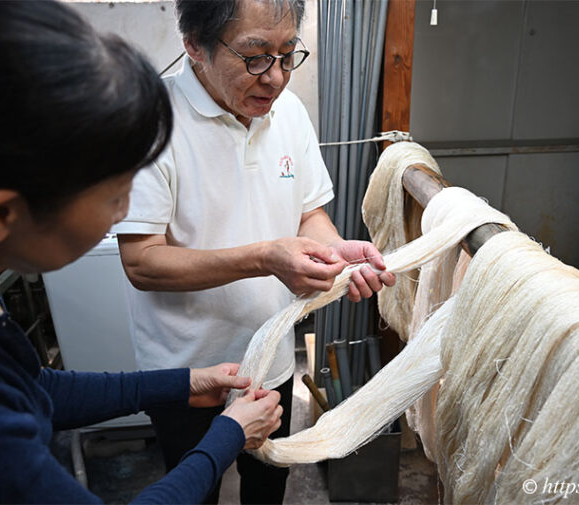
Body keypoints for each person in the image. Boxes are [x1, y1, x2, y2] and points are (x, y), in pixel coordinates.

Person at [0, 1, 282, 503]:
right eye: (115, 192)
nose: (124, 212)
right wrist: (229, 436)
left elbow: (37, 387)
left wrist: (182, 382)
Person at [114, 0, 397, 503]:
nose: (276, 78)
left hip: (269, 357)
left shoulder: (287, 111)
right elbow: (142, 261)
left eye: (289, 55)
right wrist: (265, 257)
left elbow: (308, 213)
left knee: (269, 481)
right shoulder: (149, 122)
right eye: (255, 57)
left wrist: (337, 254)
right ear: (194, 46)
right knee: (191, 486)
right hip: (188, 373)